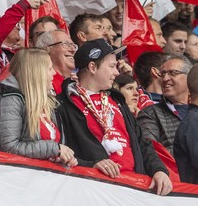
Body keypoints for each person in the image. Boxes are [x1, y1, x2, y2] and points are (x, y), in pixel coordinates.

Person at [56, 39, 172, 196]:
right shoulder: (64, 103)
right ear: (92, 67)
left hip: (135, 186)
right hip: (93, 189)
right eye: (111, 66)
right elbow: (60, 150)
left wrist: (159, 170)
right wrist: (92, 165)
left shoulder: (117, 100)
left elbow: (141, 142)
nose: (117, 72)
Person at [0, 48, 77, 167]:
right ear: (36, 72)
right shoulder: (8, 98)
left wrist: (64, 157)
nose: (54, 73)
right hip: (16, 177)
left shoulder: (46, 100)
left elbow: (55, 146)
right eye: (49, 69)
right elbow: (7, 147)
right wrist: (54, 149)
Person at [136, 55, 192, 154]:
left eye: (172, 73)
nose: (165, 79)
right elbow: (150, 152)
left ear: (190, 76)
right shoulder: (150, 113)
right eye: (162, 74)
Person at [34, 29, 77, 95]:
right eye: (65, 44)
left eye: (73, 45)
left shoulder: (77, 82)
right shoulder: (43, 84)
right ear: (46, 50)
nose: (73, 50)